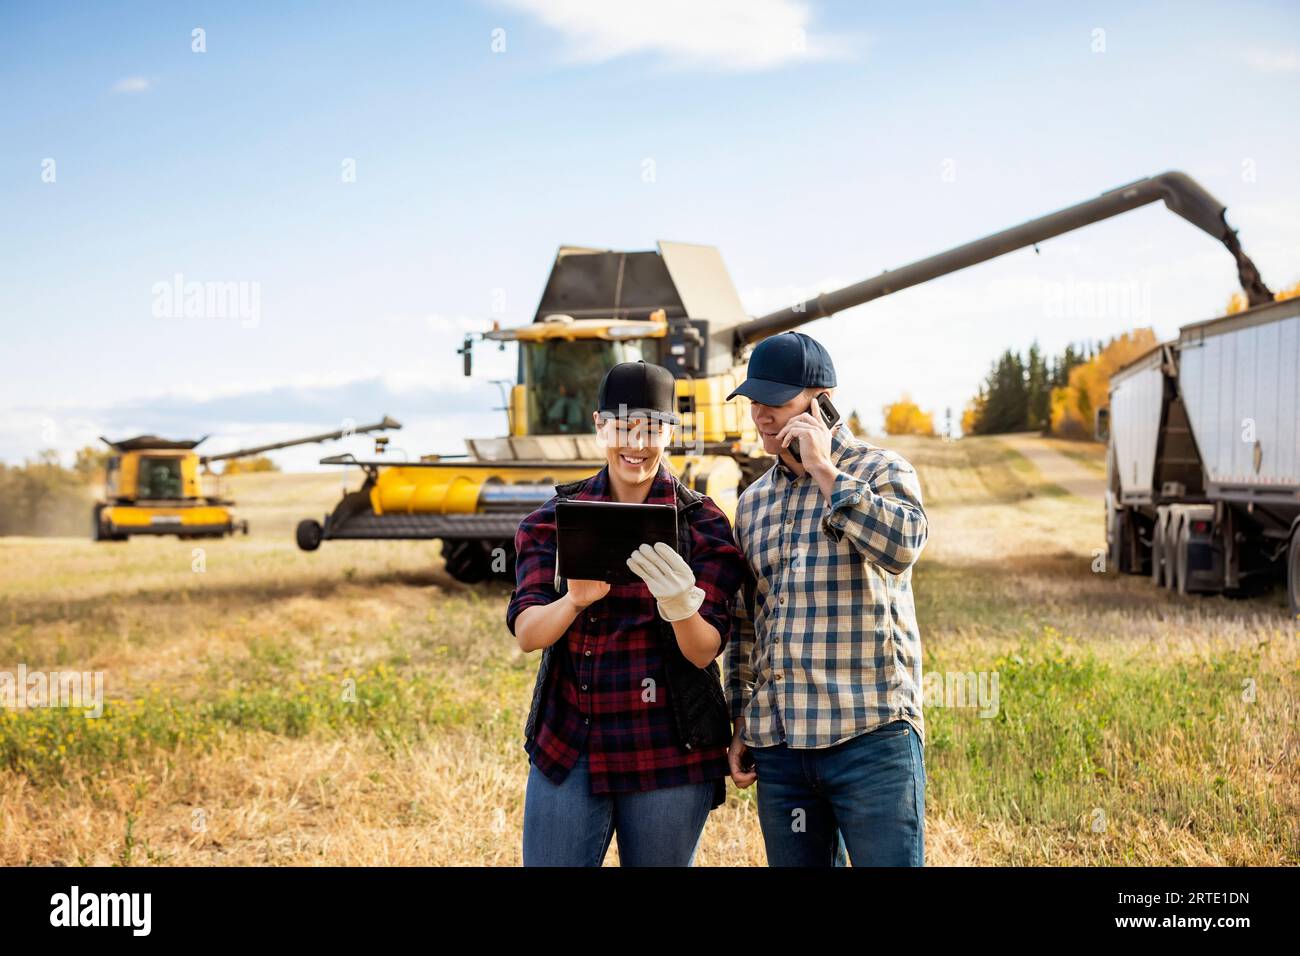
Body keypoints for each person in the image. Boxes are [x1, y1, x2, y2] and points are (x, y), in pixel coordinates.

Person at [506, 359, 747, 866]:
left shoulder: (704, 524)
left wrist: (680, 605)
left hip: (668, 750)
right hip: (571, 744)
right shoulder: (548, 523)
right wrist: (572, 601)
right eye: (623, 428)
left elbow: (704, 651)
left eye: (652, 429)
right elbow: (528, 634)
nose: (637, 445)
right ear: (599, 426)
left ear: (671, 432)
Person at [723, 331, 929, 867]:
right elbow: (748, 622)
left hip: (872, 738)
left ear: (822, 400)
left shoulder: (883, 471)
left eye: (776, 402)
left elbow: (904, 547)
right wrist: (741, 716)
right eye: (754, 402)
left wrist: (825, 471)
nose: (762, 415)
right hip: (782, 748)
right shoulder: (752, 504)